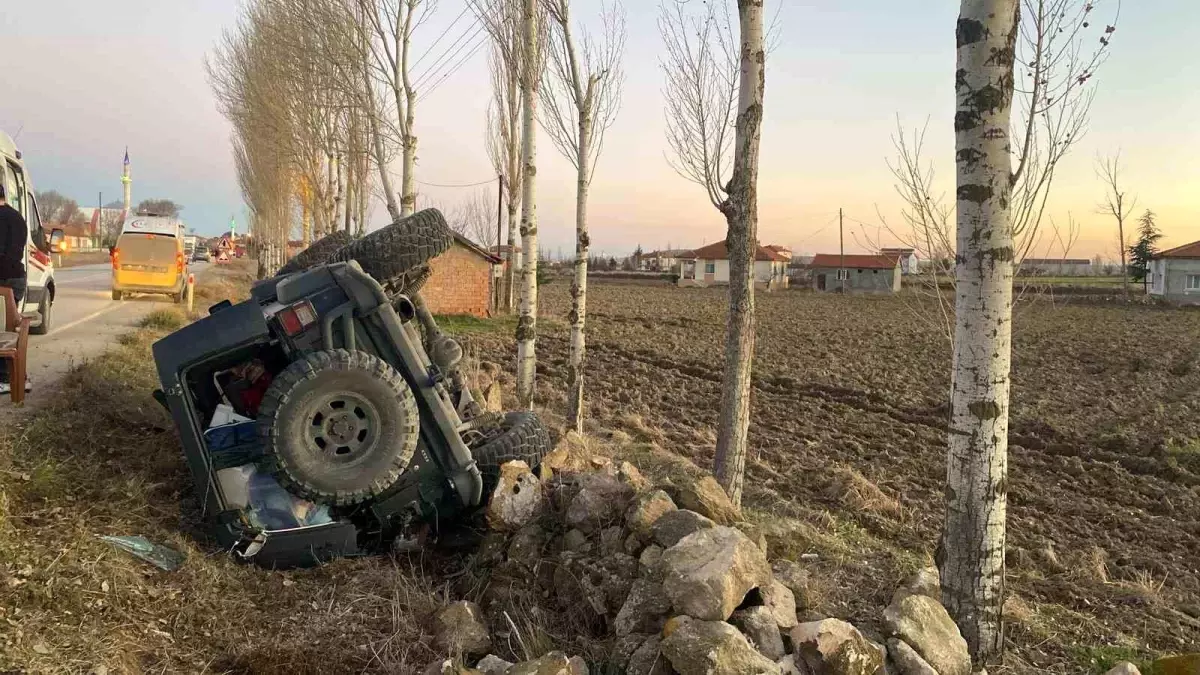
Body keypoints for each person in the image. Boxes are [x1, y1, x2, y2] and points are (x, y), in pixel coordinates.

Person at [0, 183, 29, 395]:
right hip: (16, 277)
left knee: (2, 330)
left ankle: (4, 377)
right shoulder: (18, 218)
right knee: (7, 327)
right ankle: (15, 376)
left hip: (3, 279)